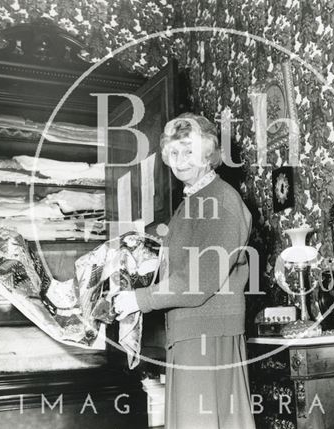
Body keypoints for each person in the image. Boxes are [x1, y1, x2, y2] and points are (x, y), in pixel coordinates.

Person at [113, 113, 256, 429]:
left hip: (207, 334)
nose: (180, 161)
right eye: (174, 153)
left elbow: (200, 280)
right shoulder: (193, 201)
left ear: (209, 152)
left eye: (189, 151)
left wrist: (140, 299)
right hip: (192, 332)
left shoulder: (221, 200)